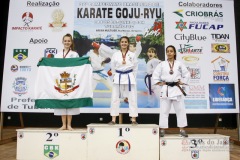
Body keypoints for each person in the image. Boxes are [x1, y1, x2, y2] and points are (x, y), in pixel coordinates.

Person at [152, 45, 190, 137]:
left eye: (171, 51)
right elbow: (155, 75)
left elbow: (187, 74)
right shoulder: (162, 64)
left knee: (180, 110)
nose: (169, 53)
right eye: (168, 51)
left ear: (174, 53)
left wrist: (183, 81)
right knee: (164, 110)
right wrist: (159, 83)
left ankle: (182, 129)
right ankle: (162, 130)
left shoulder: (179, 64)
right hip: (166, 88)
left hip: (177, 88)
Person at [109, 36, 138, 125]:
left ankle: (133, 119)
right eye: (122, 42)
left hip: (129, 77)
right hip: (118, 76)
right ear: (120, 43)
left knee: (132, 98)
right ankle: (113, 119)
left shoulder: (132, 55)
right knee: (115, 98)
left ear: (128, 43)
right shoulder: (115, 54)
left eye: (125, 42)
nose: (124, 43)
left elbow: (135, 68)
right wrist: (114, 76)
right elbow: (113, 67)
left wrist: (133, 77)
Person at [53, 33, 80, 130]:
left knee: (70, 102)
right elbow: (53, 66)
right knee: (62, 102)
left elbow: (79, 66)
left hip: (71, 80)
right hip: (60, 81)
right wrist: (42, 60)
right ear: (62, 42)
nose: (67, 42)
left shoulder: (75, 54)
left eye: (69, 41)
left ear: (71, 42)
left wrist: (87, 60)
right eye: (65, 41)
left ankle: (69, 125)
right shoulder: (58, 55)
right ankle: (63, 125)